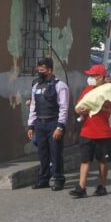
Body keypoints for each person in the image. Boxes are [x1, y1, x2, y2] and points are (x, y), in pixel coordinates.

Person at [70, 64, 111, 198]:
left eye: (92, 76)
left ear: (100, 77)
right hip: (87, 131)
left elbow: (108, 107)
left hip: (103, 132)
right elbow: (79, 105)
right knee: (85, 160)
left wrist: (94, 107)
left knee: (102, 161)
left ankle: (102, 186)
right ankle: (81, 187)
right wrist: (79, 109)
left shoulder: (109, 90)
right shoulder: (87, 89)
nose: (90, 78)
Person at [27, 57, 69, 191]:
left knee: (55, 153)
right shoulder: (36, 86)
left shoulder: (59, 85)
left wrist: (60, 126)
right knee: (42, 153)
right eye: (39, 68)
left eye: (42, 69)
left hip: (53, 123)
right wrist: (31, 125)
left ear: (50, 70)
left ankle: (58, 179)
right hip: (40, 123)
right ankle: (43, 179)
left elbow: (64, 107)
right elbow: (33, 106)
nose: (39, 71)